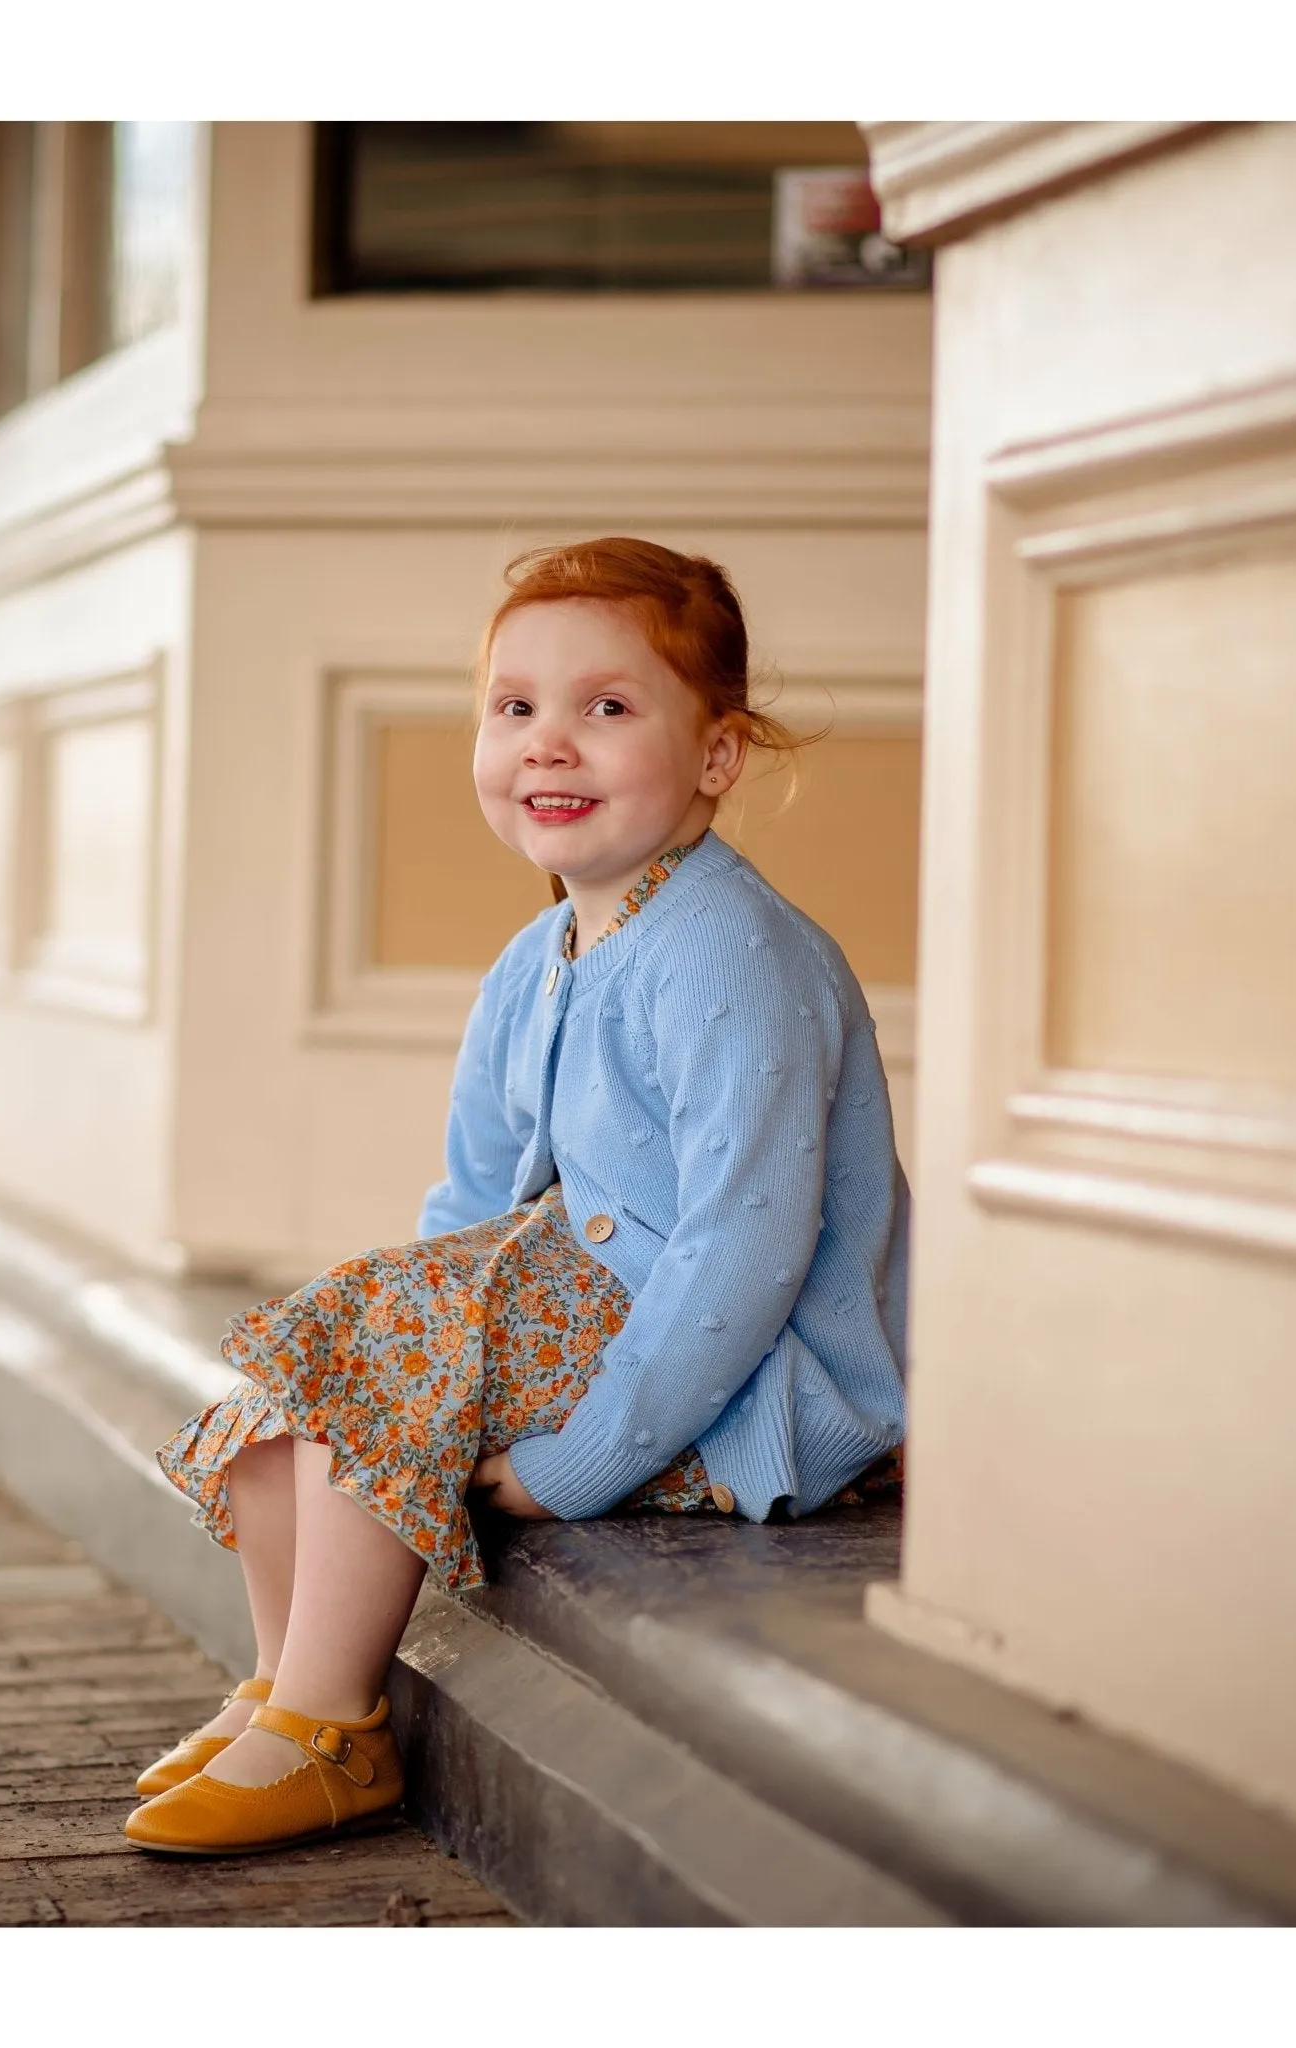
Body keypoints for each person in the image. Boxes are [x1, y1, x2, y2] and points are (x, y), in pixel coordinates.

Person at [123, 536, 910, 1857]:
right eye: (515, 708)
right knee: (308, 1381)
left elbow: (743, 1254)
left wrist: (572, 1461)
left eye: (606, 709)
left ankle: (327, 1723)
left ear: (716, 758)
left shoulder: (732, 956)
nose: (549, 744)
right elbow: (474, 1199)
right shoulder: (536, 955)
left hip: (750, 1385)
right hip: (597, 1324)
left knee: (385, 1349)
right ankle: (292, 1695)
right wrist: (403, 1342)